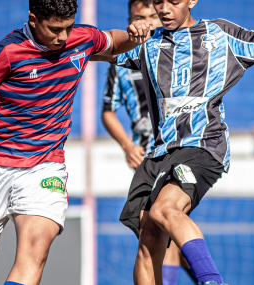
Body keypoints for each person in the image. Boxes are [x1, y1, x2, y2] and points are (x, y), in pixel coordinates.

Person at [110, 0, 254, 284]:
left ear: (192, 0)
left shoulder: (220, 34)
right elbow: (94, 48)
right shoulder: (147, 43)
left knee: (164, 209)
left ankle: (212, 281)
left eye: (174, 1)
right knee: (148, 237)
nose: (164, 9)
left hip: (203, 143)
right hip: (158, 153)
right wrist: (126, 34)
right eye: (159, 1)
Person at [0, 0, 151, 284]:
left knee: (35, 251)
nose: (63, 37)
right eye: (55, 30)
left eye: (69, 28)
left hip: (45, 166)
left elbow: (114, 41)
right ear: (33, 20)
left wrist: (135, 32)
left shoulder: (81, 38)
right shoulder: (8, 51)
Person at [101, 1, 197, 284]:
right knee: (162, 228)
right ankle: (207, 275)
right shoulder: (122, 60)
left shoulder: (177, 51)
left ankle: (206, 276)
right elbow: (108, 112)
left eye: (152, 16)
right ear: (130, 20)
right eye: (139, 17)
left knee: (161, 225)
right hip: (147, 154)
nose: (147, 22)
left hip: (180, 148)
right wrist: (127, 146)